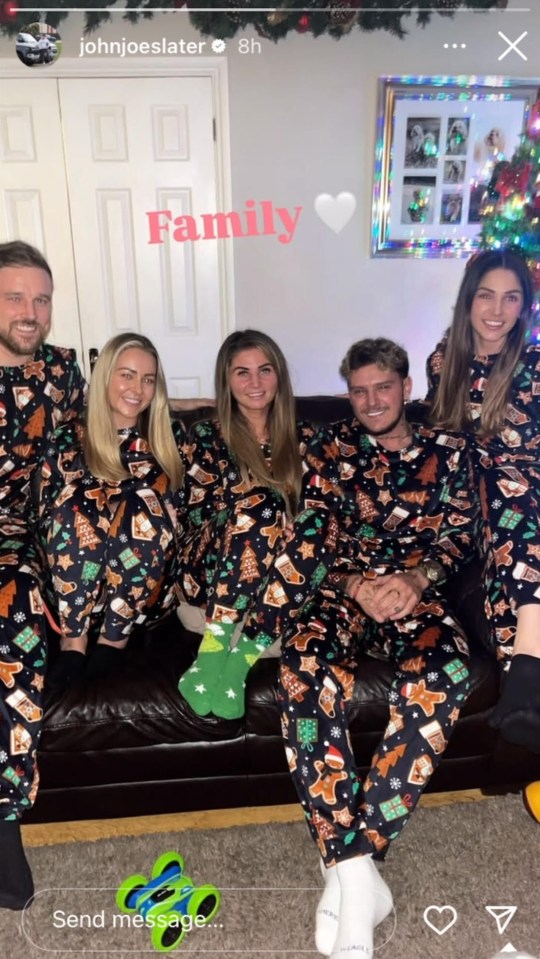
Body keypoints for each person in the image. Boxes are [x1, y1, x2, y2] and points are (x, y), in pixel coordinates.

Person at [274, 338, 477, 959]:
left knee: (446, 670)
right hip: (345, 594)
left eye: (382, 388)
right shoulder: (327, 448)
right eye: (358, 391)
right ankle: (357, 874)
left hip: (416, 593)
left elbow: (459, 535)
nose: (370, 401)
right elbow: (315, 538)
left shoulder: (448, 451)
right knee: (303, 669)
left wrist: (417, 581)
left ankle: (351, 867)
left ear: (406, 388)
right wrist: (353, 584)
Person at [0, 240, 86, 910]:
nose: (31, 312)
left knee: (17, 614)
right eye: (15, 297)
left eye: (41, 298)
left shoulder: (62, 372)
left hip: (29, 546)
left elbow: (91, 458)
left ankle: (5, 820)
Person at [426, 248, 540, 751]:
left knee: (514, 540)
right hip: (481, 498)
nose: (497, 310)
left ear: (524, 307)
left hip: (528, 496)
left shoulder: (534, 364)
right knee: (507, 505)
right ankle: (525, 685)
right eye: (487, 295)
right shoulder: (444, 362)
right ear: (468, 299)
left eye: (511, 298)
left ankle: (523, 693)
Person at [177, 329, 320, 720]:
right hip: (211, 569)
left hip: (279, 578)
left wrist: (295, 526)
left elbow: (322, 507)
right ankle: (211, 654)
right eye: (242, 372)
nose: (255, 383)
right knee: (262, 507)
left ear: (279, 376)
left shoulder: (306, 436)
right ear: (227, 380)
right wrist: (266, 517)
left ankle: (239, 662)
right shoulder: (206, 435)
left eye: (264, 370)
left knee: (319, 527)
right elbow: (195, 516)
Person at [39, 333, 184, 685]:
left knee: (142, 506)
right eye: (127, 375)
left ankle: (113, 640)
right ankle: (74, 639)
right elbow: (48, 516)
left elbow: (182, 517)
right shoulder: (69, 438)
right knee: (77, 503)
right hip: (76, 587)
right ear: (105, 376)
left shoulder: (170, 437)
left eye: (148, 379)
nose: (138, 388)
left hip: (142, 592)